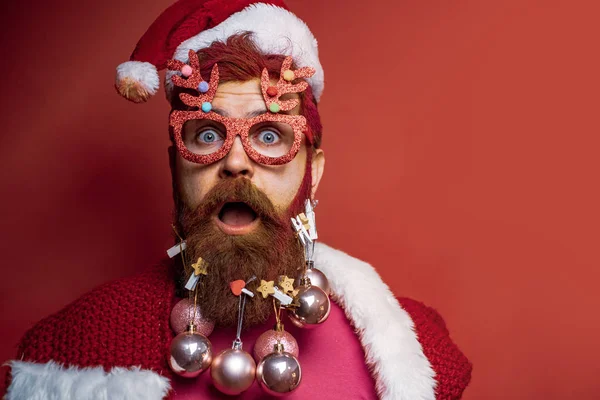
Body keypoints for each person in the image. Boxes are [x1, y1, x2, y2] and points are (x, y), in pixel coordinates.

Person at [4, 1, 472, 399]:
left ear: (314, 174)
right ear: (176, 169)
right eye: (208, 134)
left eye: (269, 134)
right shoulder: (80, 347)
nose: (235, 163)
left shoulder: (412, 351)